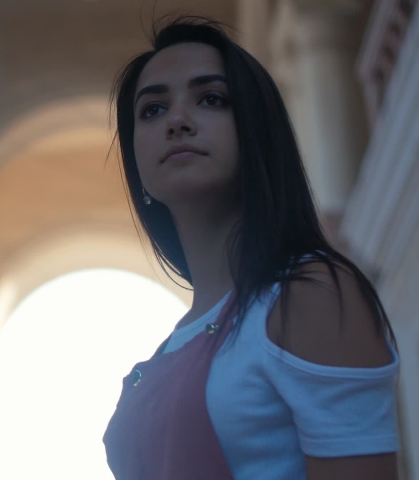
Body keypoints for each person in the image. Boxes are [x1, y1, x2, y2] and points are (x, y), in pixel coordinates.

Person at [102, 16, 400, 480]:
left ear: (257, 131)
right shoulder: (170, 345)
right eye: (152, 110)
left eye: (211, 99)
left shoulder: (308, 296)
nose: (177, 120)